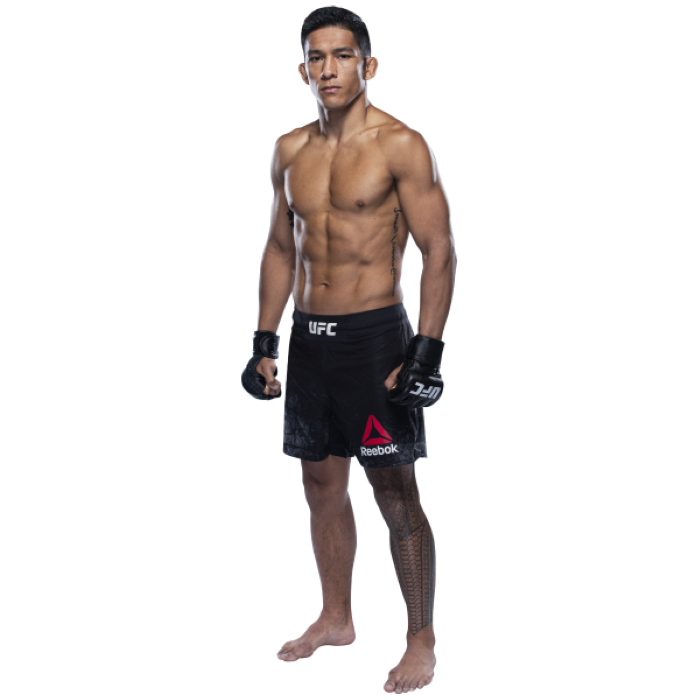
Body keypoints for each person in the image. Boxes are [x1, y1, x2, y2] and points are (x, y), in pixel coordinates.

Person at [241, 6, 457, 695]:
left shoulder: (401, 145)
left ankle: (420, 640)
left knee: (395, 491)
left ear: (369, 65)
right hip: (310, 344)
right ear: (303, 70)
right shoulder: (288, 150)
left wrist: (426, 352)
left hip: (374, 340)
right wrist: (265, 340)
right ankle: (336, 617)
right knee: (320, 486)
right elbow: (281, 246)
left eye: (342, 56)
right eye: (316, 57)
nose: (328, 69)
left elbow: (439, 249)